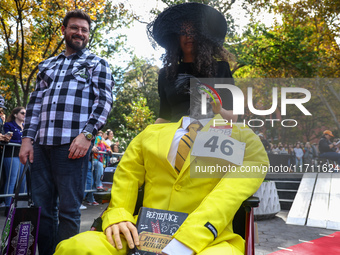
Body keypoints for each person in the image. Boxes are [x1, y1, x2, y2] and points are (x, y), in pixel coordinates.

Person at [54, 79, 268, 255]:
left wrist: (185, 243)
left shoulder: (243, 138)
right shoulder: (150, 133)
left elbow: (229, 194)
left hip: (210, 242)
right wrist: (118, 214)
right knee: (75, 248)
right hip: (139, 233)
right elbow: (126, 176)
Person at [18, 9, 114, 254]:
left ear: (88, 35)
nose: (79, 33)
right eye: (75, 28)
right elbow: (34, 105)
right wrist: (27, 140)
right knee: (42, 209)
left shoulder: (97, 63)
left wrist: (88, 135)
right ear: (64, 30)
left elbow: (103, 102)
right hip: (40, 146)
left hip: (72, 147)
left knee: (70, 211)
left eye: (84, 30)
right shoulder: (47, 65)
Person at [147, 2, 237, 124]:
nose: (188, 36)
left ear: (202, 37)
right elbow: (164, 117)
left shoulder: (221, 68)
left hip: (213, 134)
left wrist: (219, 110)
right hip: (176, 136)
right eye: (183, 32)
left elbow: (233, 117)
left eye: (193, 32)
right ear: (176, 38)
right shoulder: (166, 75)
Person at [3, 107, 26, 215]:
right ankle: (8, 206)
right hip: (11, 155)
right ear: (15, 114)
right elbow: (7, 138)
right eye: (22, 113)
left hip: (22, 155)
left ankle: (20, 206)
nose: (24, 115)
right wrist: (23, 141)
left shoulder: (25, 126)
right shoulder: (8, 125)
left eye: (26, 113)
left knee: (22, 181)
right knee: (11, 180)